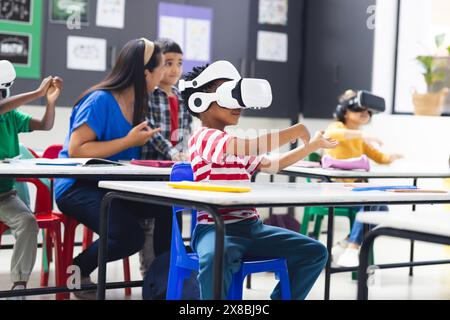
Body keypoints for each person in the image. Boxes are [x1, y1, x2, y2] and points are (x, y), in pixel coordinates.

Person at [181, 61, 338, 299]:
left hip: (252, 228)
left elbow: (274, 164)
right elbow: (250, 146)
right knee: (216, 257)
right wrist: (293, 132)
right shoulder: (203, 137)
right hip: (215, 227)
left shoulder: (231, 144)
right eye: (227, 95)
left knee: (314, 252)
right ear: (200, 102)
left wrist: (312, 146)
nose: (238, 105)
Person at [54, 38, 173, 299]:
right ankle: (79, 267)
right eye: (163, 67)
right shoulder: (100, 100)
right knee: (129, 236)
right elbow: (77, 149)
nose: (165, 73)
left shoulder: (139, 105)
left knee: (167, 205)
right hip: (76, 186)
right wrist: (129, 141)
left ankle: (164, 280)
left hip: (110, 185)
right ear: (145, 74)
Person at [0, 60, 62, 297]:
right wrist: (37, 92)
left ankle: (19, 285)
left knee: (28, 222)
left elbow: (46, 125)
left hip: (5, 195)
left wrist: (50, 102)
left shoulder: (12, 116)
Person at [325, 89, 403, 267]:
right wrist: (362, 134)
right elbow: (334, 135)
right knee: (373, 201)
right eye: (359, 110)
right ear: (345, 112)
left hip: (356, 190)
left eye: (367, 112)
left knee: (382, 209)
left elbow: (379, 157)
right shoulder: (336, 128)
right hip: (335, 190)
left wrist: (392, 156)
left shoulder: (360, 138)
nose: (364, 114)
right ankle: (352, 248)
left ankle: (347, 243)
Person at [139, 38, 192, 276]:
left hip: (175, 168)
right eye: (168, 63)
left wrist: (183, 152)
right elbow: (148, 128)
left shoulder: (182, 97)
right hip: (152, 165)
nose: (175, 69)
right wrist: (173, 153)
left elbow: (186, 128)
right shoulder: (149, 94)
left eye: (179, 63)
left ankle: (171, 270)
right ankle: (151, 273)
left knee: (174, 216)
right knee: (150, 221)